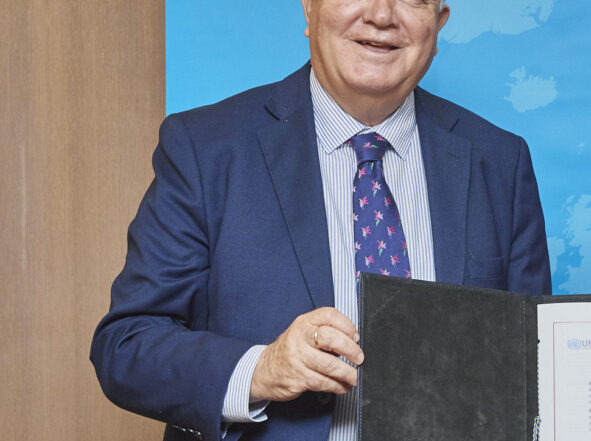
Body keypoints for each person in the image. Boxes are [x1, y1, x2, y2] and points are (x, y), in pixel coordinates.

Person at [90, 1, 551, 440]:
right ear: (309, 8)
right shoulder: (206, 149)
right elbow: (126, 346)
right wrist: (261, 369)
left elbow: (537, 367)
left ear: (438, 23)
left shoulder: (500, 163)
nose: (381, 14)